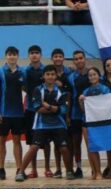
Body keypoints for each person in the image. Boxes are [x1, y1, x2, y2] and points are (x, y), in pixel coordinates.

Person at [16, 65, 75, 181]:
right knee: (33, 147)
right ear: (43, 76)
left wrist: (47, 106)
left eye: (52, 74)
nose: (50, 76)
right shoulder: (38, 90)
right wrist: (55, 109)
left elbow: (63, 110)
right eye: (47, 74)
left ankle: (69, 171)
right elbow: (38, 108)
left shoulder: (61, 91)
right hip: (41, 124)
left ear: (56, 76)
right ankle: (21, 172)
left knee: (63, 148)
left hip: (58, 124)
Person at [79, 67, 110, 180]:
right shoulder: (86, 92)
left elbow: (108, 105)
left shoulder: (105, 89)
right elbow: (83, 109)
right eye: (90, 75)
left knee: (105, 146)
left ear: (99, 76)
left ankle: (107, 169)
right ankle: (96, 172)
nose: (92, 77)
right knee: (91, 147)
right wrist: (80, 101)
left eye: (94, 74)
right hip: (87, 121)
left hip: (101, 121)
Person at [23, 45, 49, 179]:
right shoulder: (25, 71)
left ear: (40, 55)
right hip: (30, 110)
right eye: (32, 53)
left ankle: (47, 168)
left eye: (37, 53)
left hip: (44, 110)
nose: (34, 55)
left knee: (45, 142)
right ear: (29, 55)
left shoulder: (46, 70)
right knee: (32, 142)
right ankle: (33, 170)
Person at [0, 47, 25, 180]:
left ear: (17, 56)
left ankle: (19, 169)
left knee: (17, 141)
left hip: (18, 114)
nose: (12, 57)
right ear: (6, 56)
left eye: (14, 54)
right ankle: (1, 169)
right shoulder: (1, 71)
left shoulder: (22, 72)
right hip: (4, 113)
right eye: (10, 54)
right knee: (1, 141)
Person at [68, 50, 90, 178]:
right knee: (76, 142)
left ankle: (94, 167)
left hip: (91, 114)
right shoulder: (71, 77)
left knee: (90, 142)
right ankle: (79, 168)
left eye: (80, 58)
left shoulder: (92, 74)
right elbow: (70, 97)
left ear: (84, 59)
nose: (78, 61)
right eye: (76, 59)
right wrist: (68, 116)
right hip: (75, 114)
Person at [51, 48, 73, 178]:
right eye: (55, 56)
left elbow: (69, 95)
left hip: (65, 113)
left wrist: (68, 115)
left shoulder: (69, 73)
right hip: (52, 114)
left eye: (60, 56)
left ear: (63, 58)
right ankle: (58, 169)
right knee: (56, 143)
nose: (58, 58)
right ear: (52, 58)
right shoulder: (49, 73)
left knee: (67, 143)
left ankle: (69, 169)